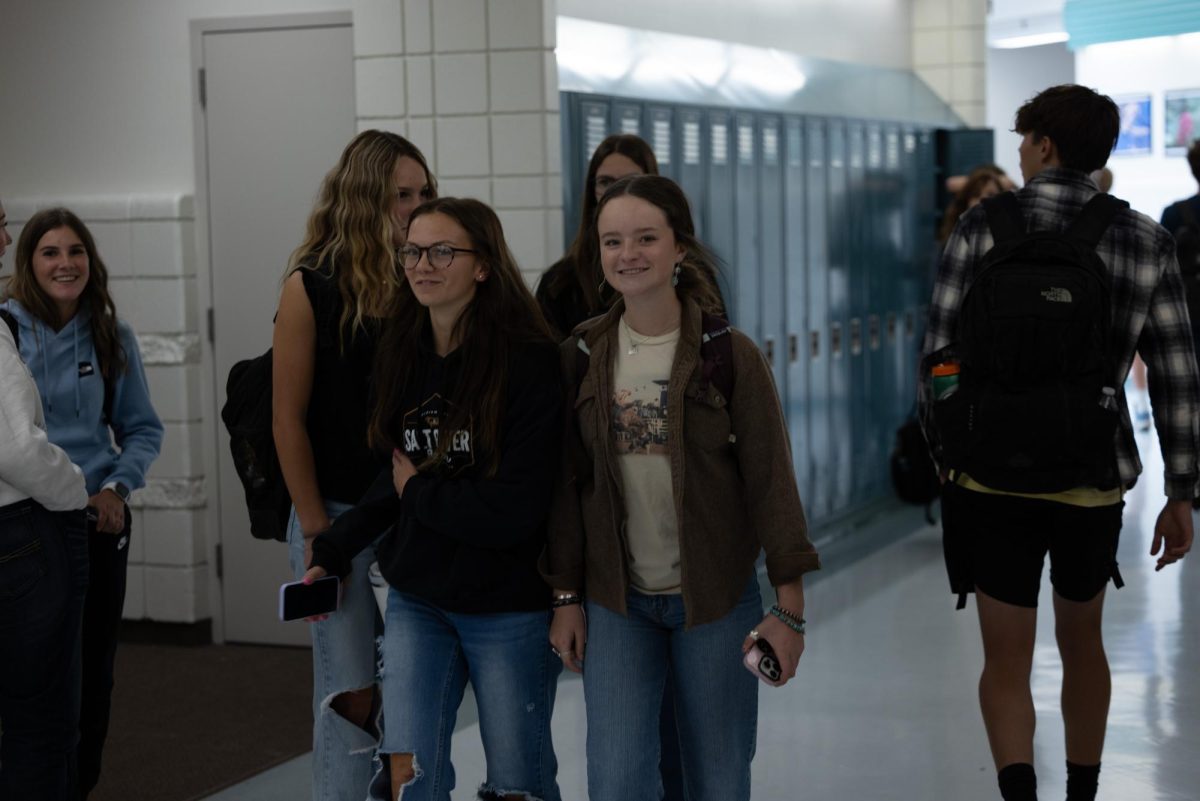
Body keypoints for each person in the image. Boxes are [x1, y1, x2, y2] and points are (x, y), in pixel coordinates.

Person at [920, 84, 1198, 801]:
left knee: (1006, 661)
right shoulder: (1144, 238)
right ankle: (1082, 791)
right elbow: (1175, 373)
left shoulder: (981, 227)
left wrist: (952, 454)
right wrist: (1181, 491)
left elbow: (938, 356)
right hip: (1091, 481)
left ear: (1045, 145)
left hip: (990, 486)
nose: (1018, 151)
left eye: (1023, 138)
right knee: (1084, 647)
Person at [544, 174, 820, 801]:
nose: (628, 254)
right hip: (619, 605)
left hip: (717, 603)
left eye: (646, 237)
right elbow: (568, 489)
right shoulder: (583, 354)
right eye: (612, 241)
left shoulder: (729, 354)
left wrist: (790, 609)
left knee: (717, 779)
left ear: (679, 250)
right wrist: (564, 594)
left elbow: (772, 484)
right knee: (616, 780)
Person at [304, 197, 563, 801]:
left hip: (507, 606)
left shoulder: (530, 361)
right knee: (406, 777)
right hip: (419, 603)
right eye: (413, 251)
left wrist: (420, 492)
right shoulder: (403, 350)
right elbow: (390, 479)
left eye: (443, 251)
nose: (423, 264)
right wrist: (336, 547)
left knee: (516, 784)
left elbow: (514, 510)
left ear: (483, 266)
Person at [272, 129, 436, 801]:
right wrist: (316, 527)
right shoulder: (311, 285)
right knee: (350, 694)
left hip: (408, 515)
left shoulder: (426, 279)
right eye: (403, 195)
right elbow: (288, 418)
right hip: (332, 513)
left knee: (414, 686)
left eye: (425, 193)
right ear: (367, 198)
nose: (417, 206)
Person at [1, 207, 164, 799]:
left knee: (93, 670)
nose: (65, 263)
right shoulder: (6, 329)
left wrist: (117, 488)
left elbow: (143, 429)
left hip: (98, 518)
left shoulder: (109, 333)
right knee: (40, 675)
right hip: (26, 526)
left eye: (76, 251)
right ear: (29, 263)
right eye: (49, 252)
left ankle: (79, 786)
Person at [0, 197, 90, 801]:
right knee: (37, 724)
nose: (3, 238)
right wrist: (77, 491)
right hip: (19, 536)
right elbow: (15, 450)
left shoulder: (107, 329)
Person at [536, 134, 660, 339]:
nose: (617, 192)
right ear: (592, 189)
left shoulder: (687, 272)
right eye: (605, 182)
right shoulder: (560, 283)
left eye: (631, 181)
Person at [939, 166, 1009, 243]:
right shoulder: (954, 239)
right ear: (967, 202)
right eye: (976, 194)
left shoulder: (1014, 235)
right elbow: (950, 183)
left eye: (991, 194)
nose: (983, 200)